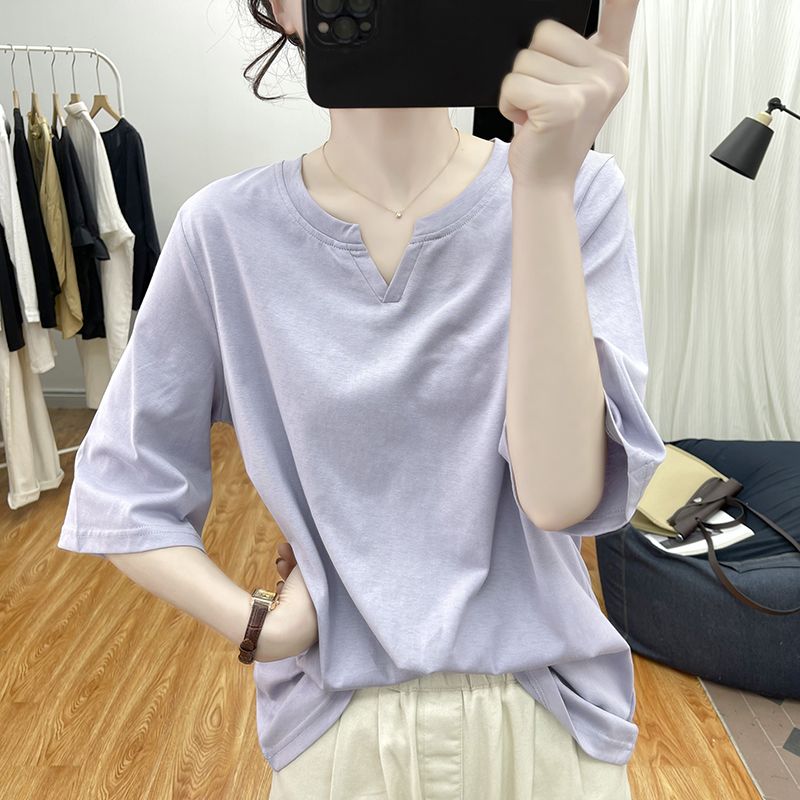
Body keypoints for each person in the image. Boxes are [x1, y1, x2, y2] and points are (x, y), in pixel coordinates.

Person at [58, 0, 662, 797]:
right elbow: (121, 488)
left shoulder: (579, 194)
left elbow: (562, 498)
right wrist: (261, 628)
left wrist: (543, 185)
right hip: (335, 727)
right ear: (279, 8)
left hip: (548, 717)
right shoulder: (225, 232)